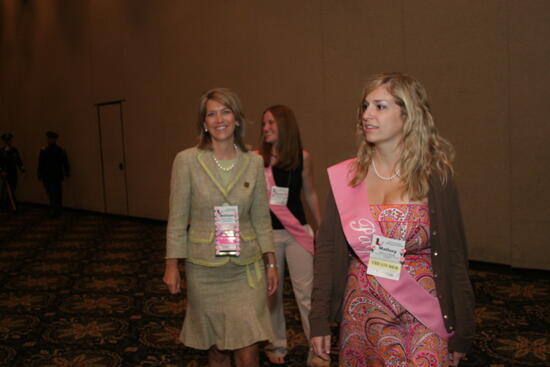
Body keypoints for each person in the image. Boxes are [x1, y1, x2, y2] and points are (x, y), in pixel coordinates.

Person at [309, 72, 475, 367]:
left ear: (407, 115)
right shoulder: (347, 178)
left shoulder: (436, 177)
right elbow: (327, 253)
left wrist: (462, 328)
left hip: (423, 311)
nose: (367, 115)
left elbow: (453, 256)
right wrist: (319, 319)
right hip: (362, 313)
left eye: (380, 106)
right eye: (365, 106)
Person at [163, 88, 278, 367]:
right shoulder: (187, 160)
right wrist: (171, 265)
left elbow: (262, 218)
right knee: (216, 349)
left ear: (237, 119)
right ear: (204, 123)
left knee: (248, 348)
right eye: (211, 114)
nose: (219, 119)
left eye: (225, 111)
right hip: (204, 269)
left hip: (247, 269)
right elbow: (177, 218)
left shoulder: (253, 161)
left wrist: (271, 262)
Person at [258, 105, 325, 366]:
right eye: (264, 124)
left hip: (297, 233)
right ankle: (277, 344)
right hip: (268, 236)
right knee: (272, 294)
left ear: (285, 126)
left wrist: (321, 227)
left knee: (306, 294)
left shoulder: (302, 157)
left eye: (271, 123)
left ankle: (317, 349)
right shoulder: (256, 160)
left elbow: (310, 193)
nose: (265, 128)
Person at [37, 131, 70, 217]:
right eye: (49, 139)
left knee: (57, 193)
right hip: (47, 175)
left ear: (55, 140)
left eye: (52, 139)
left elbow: (65, 162)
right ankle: (55, 209)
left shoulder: (60, 150)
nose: (51, 140)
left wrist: (67, 173)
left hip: (57, 175)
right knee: (51, 193)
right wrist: (39, 174)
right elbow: (41, 163)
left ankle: (57, 210)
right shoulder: (44, 150)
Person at [0, 133, 26, 210]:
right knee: (7, 190)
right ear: (4, 141)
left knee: (12, 189)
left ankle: (8, 204)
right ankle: (13, 207)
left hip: (13, 173)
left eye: (9, 140)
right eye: (6, 140)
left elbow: (19, 161)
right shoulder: (1, 151)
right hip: (5, 173)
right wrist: (1, 172)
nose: (8, 142)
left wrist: (23, 170)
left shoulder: (14, 150)